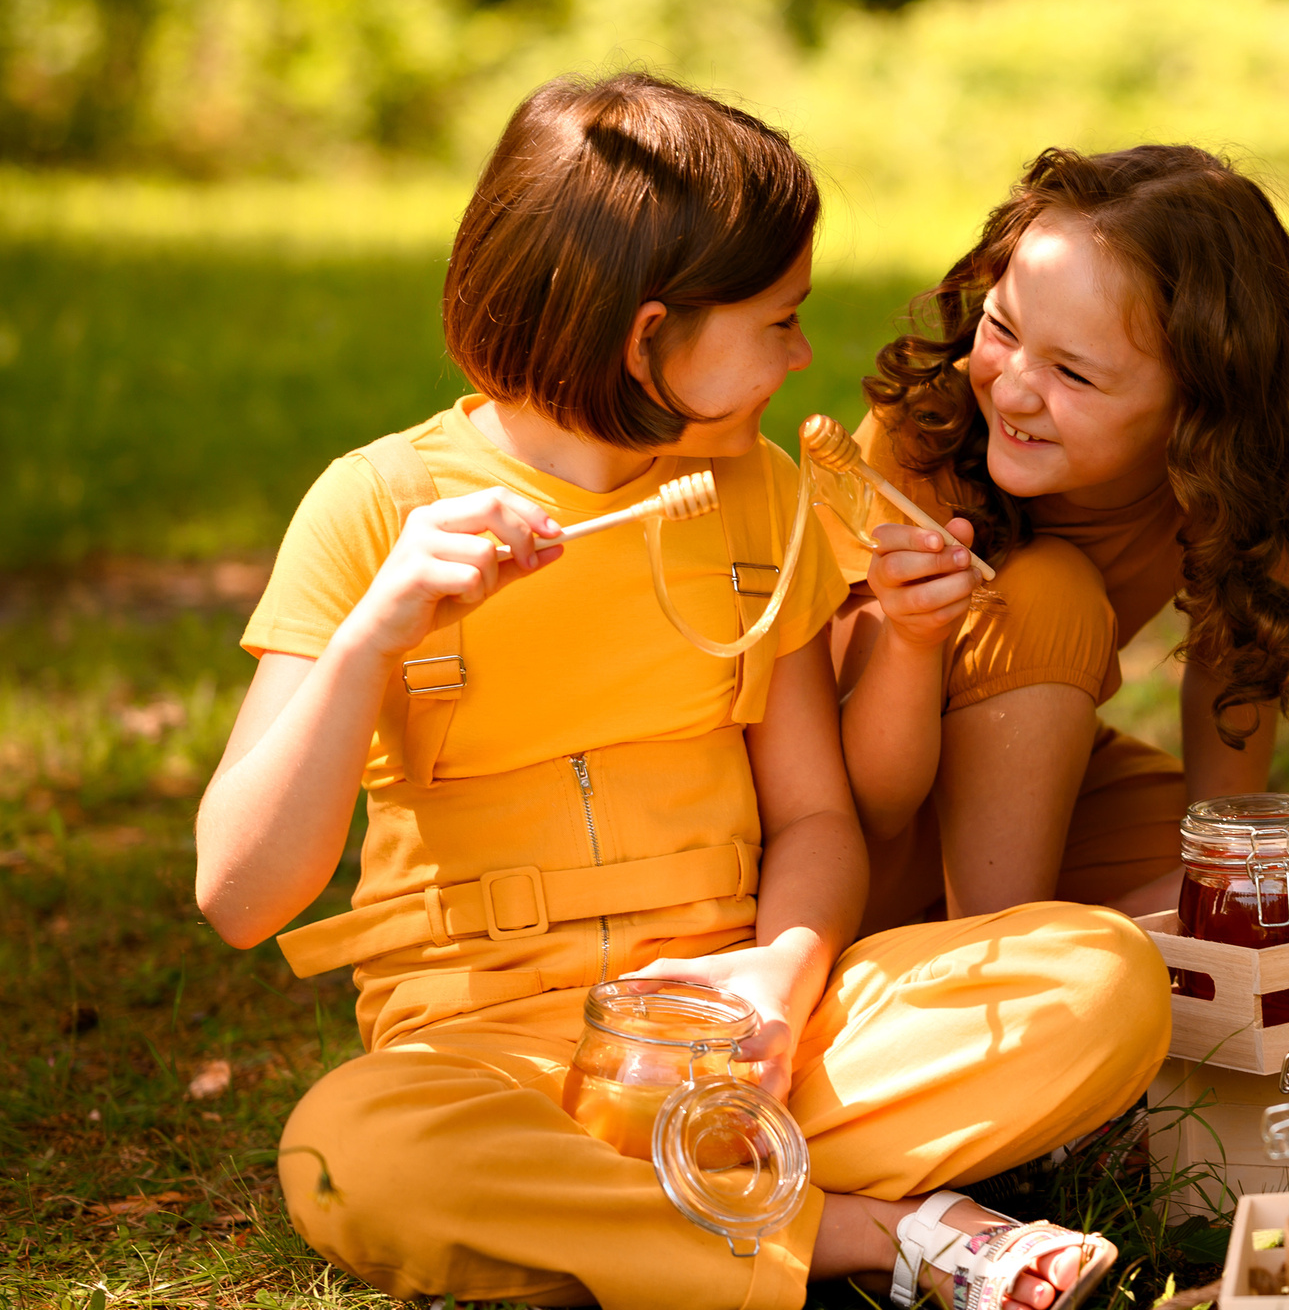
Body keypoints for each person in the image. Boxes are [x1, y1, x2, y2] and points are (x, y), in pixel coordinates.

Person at [194, 73, 1167, 1310]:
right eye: (778, 319)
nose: (806, 353)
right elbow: (237, 893)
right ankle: (875, 1233)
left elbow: (817, 819)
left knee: (1100, 982)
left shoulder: (760, 496)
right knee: (350, 1152)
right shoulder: (376, 507)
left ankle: (623, 1215)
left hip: (748, 1044)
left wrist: (781, 977)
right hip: (486, 1055)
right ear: (648, 336)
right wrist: (372, 634)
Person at [834, 143, 1289, 932]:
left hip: (1016, 791)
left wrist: (1214, 874)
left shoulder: (1235, 480)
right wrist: (913, 636)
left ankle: (1113, 939)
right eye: (1000, 328)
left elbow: (1232, 671)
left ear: (1202, 403)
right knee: (1048, 592)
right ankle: (995, 964)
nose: (1010, 388)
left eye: (1073, 375)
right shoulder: (919, 445)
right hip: (854, 830)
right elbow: (868, 793)